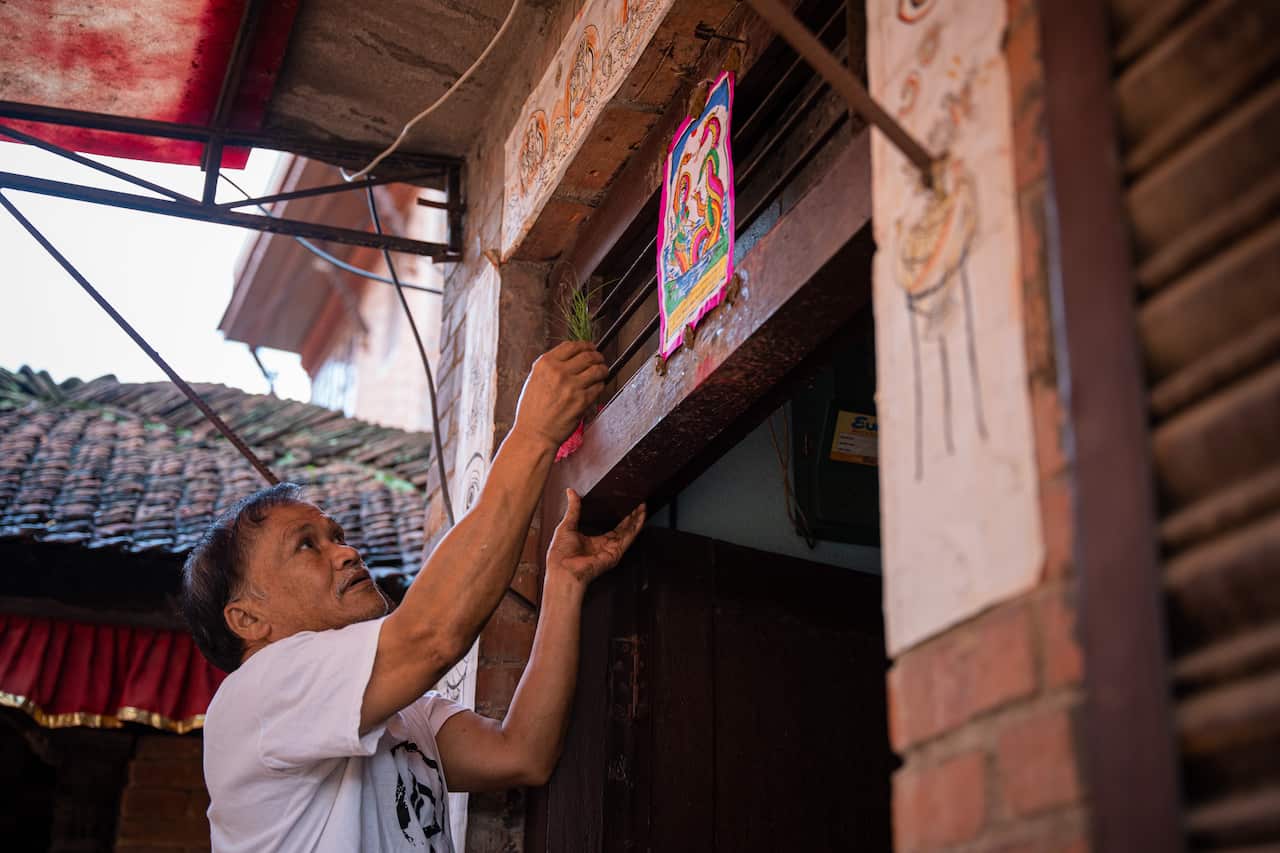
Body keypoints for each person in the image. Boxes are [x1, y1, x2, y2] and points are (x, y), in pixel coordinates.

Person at [181, 341, 645, 852]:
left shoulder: (402, 715)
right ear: (247, 619)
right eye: (307, 546)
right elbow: (431, 634)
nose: (347, 552)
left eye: (336, 535)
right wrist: (532, 434)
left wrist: (563, 584)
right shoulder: (255, 697)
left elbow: (521, 752)